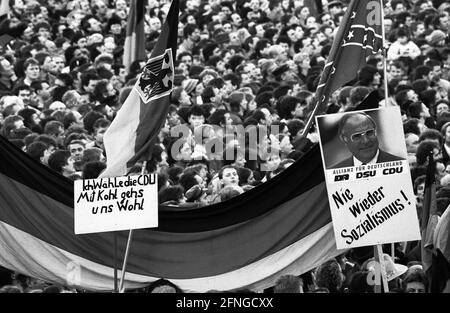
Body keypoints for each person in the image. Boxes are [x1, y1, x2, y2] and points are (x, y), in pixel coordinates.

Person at [330, 112, 404, 168]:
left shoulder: (401, 164)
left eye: (369, 133)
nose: (366, 141)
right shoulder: (332, 173)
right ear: (344, 139)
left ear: (375, 132)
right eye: (357, 136)